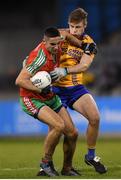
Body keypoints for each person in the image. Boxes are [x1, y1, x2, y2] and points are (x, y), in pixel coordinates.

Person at [15, 27, 82, 177]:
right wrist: (40, 90)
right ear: (44, 41)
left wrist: (82, 45)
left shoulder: (57, 41)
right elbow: (19, 80)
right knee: (58, 126)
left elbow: (66, 34)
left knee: (72, 133)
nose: (56, 47)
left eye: (57, 44)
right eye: (52, 45)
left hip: (49, 95)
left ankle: (67, 168)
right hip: (31, 98)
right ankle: (45, 163)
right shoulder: (39, 58)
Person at [50, 8, 107, 174]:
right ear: (68, 25)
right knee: (56, 129)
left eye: (78, 27)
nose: (74, 31)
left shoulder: (90, 44)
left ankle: (90, 156)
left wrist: (65, 71)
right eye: (72, 27)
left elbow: (84, 65)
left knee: (95, 118)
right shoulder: (60, 35)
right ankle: (46, 163)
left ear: (85, 26)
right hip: (56, 88)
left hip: (75, 88)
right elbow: (45, 43)